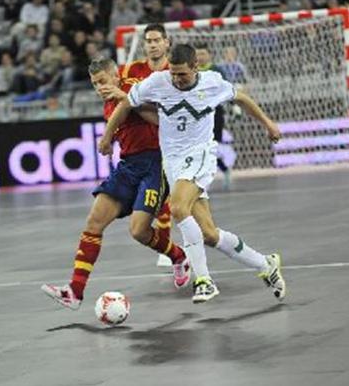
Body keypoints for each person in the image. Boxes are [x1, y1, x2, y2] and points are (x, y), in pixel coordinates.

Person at [98, 44, 286, 303]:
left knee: (177, 207)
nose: (176, 79)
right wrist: (107, 136)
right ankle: (265, 264)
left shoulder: (212, 82)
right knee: (210, 234)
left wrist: (268, 123)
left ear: (195, 67)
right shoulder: (157, 82)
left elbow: (241, 98)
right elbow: (126, 104)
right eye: (173, 73)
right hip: (173, 162)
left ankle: (204, 281)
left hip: (200, 155)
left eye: (182, 74)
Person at [41, 57, 191, 310]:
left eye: (102, 81)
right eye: (94, 84)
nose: (99, 87)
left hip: (156, 164)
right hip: (128, 166)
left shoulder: (136, 86)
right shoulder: (108, 106)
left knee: (139, 231)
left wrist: (126, 99)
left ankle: (178, 256)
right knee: (94, 222)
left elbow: (161, 119)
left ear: (115, 75)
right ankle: (75, 291)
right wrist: (109, 139)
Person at [122, 23, 175, 267]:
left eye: (157, 40)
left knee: (175, 201)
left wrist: (138, 104)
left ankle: (174, 248)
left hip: (172, 144)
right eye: (149, 41)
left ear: (166, 42)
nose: (152, 45)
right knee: (158, 200)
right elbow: (123, 102)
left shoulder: (175, 71)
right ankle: (170, 249)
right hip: (142, 147)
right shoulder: (131, 70)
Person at [194, 43, 232, 190]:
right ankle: (204, 177)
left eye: (203, 53)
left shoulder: (216, 71)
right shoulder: (191, 71)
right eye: (197, 54)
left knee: (211, 147)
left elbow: (227, 90)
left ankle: (222, 170)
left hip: (215, 115)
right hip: (197, 116)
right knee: (199, 148)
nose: (200, 57)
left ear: (209, 55)